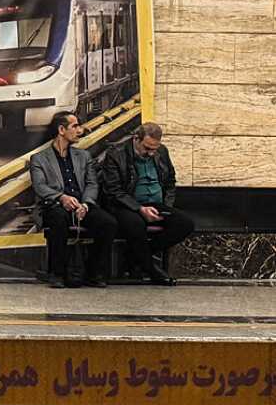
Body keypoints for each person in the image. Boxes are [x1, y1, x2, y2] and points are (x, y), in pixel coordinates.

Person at [29, 111, 117, 288]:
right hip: (54, 205)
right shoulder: (39, 159)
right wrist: (61, 197)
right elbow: (40, 187)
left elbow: (92, 183)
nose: (80, 130)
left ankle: (93, 272)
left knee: (108, 223)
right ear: (62, 129)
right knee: (58, 219)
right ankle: (57, 273)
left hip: (82, 205)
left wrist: (86, 203)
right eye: (75, 126)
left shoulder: (83, 156)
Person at [101, 122, 194, 286]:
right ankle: (151, 269)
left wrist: (167, 205)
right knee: (135, 224)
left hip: (156, 203)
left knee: (185, 224)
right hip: (127, 203)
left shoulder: (161, 151)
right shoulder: (116, 153)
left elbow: (170, 181)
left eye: (154, 149)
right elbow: (114, 190)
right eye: (147, 148)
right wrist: (140, 209)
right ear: (136, 139)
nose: (151, 153)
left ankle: (136, 255)